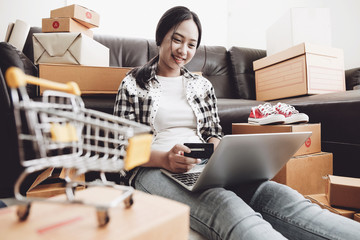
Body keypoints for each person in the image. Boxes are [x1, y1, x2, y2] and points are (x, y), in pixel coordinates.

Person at [114, 6, 360, 240]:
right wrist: (166, 158)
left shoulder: (202, 85)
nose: (183, 50)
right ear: (161, 37)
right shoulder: (134, 83)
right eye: (177, 40)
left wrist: (219, 152)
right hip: (154, 168)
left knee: (280, 196)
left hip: (204, 166)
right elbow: (121, 148)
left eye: (191, 45)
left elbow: (212, 132)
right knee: (225, 206)